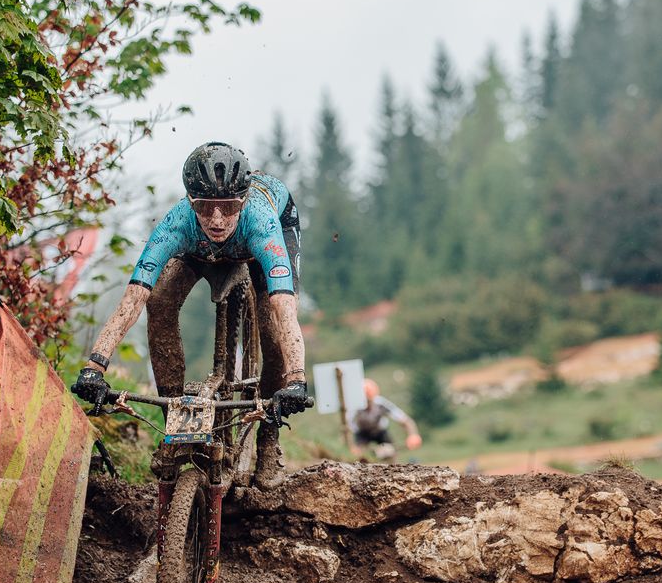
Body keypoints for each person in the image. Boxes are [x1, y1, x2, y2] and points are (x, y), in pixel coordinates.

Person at [70, 142, 309, 486]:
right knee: (160, 301)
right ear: (190, 201)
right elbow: (134, 297)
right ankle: (174, 429)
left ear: (241, 201)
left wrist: (297, 379)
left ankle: (269, 438)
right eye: (204, 206)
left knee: (273, 331)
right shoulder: (178, 222)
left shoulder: (261, 221)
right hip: (198, 250)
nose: (216, 219)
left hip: (266, 236)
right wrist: (95, 366)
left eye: (227, 207)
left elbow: (284, 308)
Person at [349, 378, 422, 461]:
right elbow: (348, 427)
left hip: (380, 432)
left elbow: (405, 420)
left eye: (369, 400)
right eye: (364, 400)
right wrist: (352, 446)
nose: (367, 404)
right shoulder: (354, 407)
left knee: (391, 455)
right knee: (358, 458)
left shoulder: (381, 404)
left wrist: (413, 435)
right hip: (362, 434)